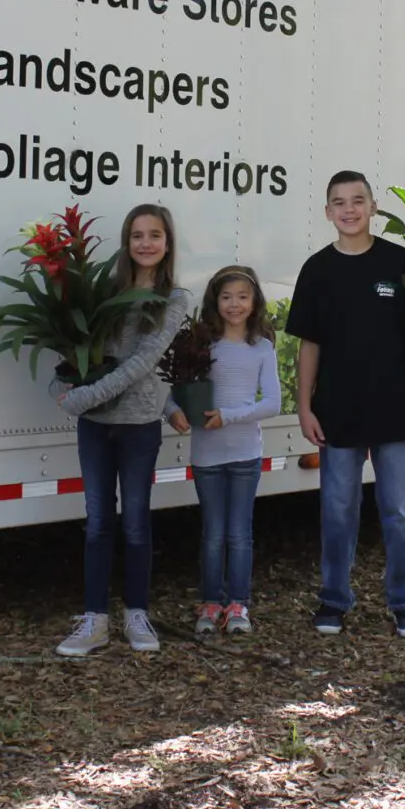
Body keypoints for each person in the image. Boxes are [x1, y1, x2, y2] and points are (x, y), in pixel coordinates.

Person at [284, 171, 405, 638]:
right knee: (338, 510)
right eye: (339, 202)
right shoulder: (317, 270)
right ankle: (333, 600)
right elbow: (310, 346)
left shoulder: (398, 262)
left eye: (358, 200)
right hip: (335, 412)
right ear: (327, 212)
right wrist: (304, 407)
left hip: (391, 409)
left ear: (373, 207)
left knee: (397, 510)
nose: (349, 209)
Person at [53, 203, 192, 657]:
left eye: (155, 234)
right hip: (95, 428)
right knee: (97, 525)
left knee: (134, 524)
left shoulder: (173, 299)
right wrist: (60, 386)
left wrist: (79, 400)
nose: (146, 243)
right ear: (126, 242)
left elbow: (141, 365)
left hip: (136, 428)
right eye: (137, 235)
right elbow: (77, 354)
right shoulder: (103, 292)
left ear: (167, 243)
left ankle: (136, 614)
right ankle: (94, 620)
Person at [170, 266, 282, 636]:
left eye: (243, 297)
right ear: (214, 301)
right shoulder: (201, 346)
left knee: (239, 534)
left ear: (254, 302)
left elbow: (272, 404)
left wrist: (229, 416)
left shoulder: (261, 347)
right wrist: (173, 413)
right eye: (226, 297)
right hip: (207, 456)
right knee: (213, 534)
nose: (234, 304)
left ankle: (238, 603)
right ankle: (211, 602)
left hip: (246, 454)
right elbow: (175, 392)